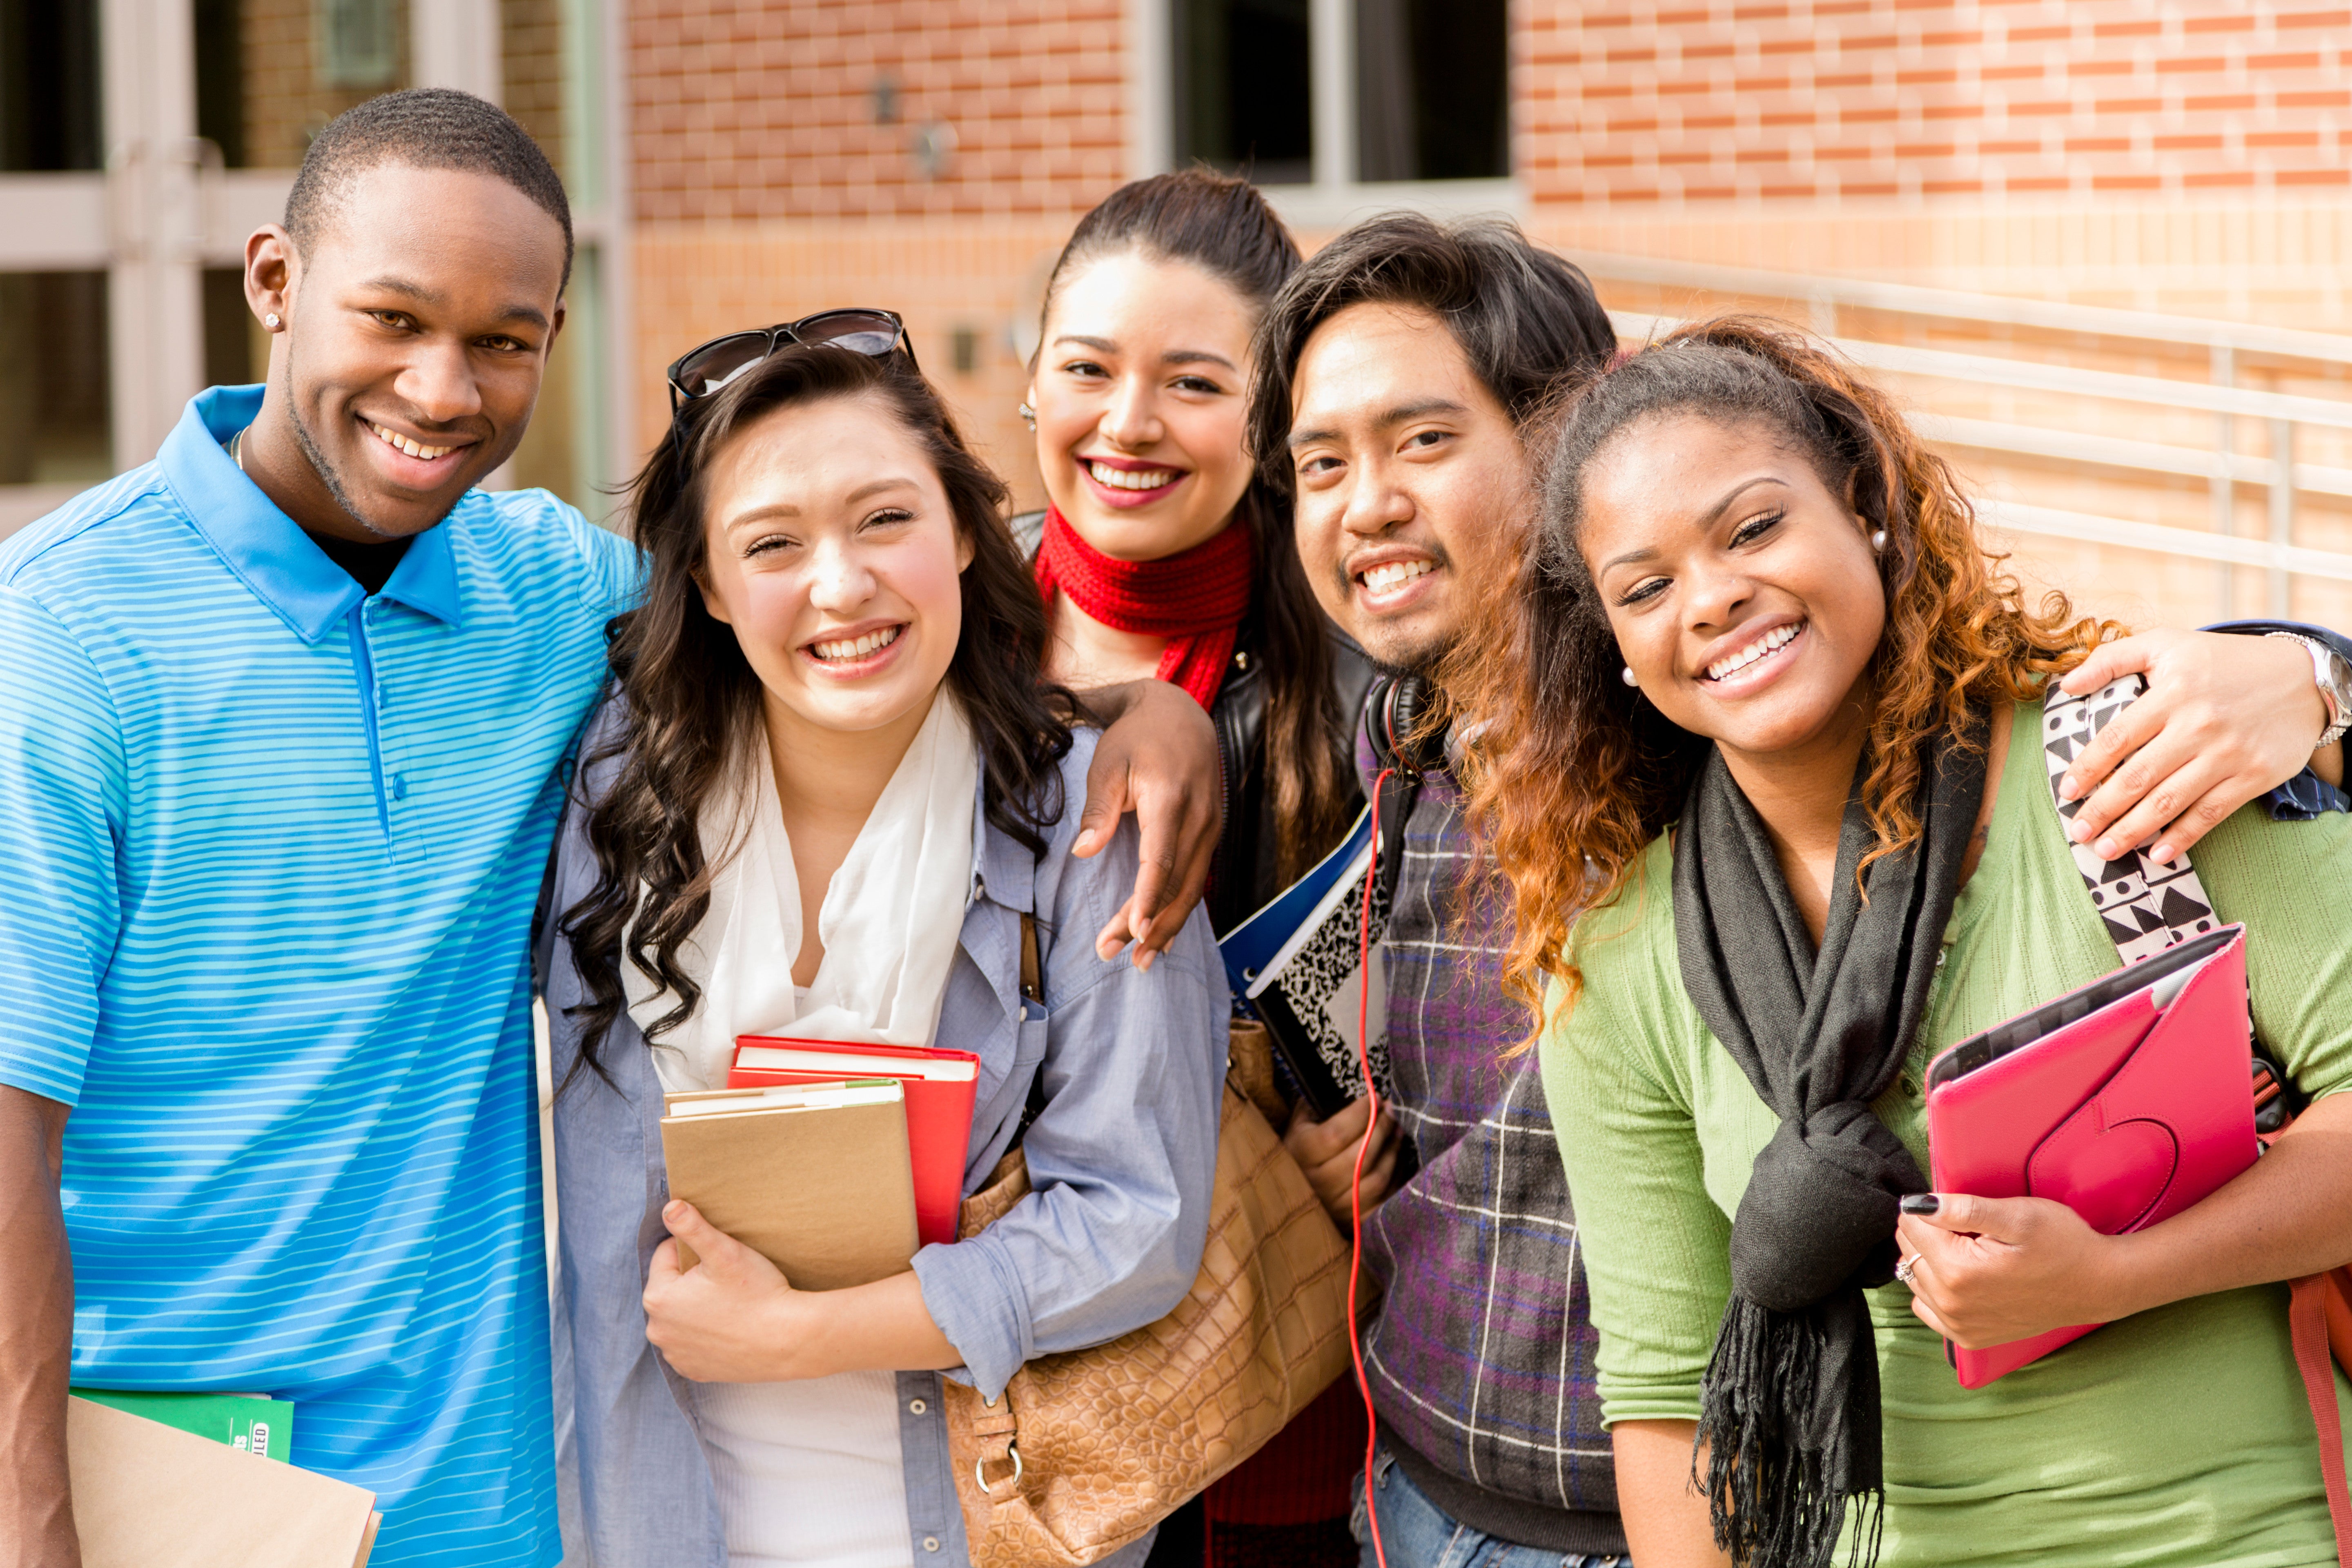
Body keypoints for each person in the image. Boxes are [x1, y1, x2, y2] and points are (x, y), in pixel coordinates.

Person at [0, 91, 1221, 1568]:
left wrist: (1133, 709)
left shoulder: (540, 593)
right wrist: (30, 1521)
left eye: (503, 341)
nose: (442, 391)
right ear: (272, 281)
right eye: (392, 319)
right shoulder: (59, 638)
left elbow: (842, 621)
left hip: (500, 1482)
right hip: (181, 1473)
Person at [1243, 213, 2352, 1568]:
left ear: (1868, 511)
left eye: (1755, 526)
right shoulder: (1616, 940)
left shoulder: (2128, 771)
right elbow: (1662, 1398)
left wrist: (2117, 1271)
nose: (1711, 598)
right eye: (1646, 585)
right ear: (1619, 655)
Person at [544, 336, 1227, 1567]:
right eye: (773, 545)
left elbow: (1136, 1215)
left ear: (968, 531)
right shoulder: (610, 809)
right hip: (653, 1515)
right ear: (702, 584)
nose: (843, 585)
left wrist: (801, 1336)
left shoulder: (1092, 819)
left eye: (884, 519)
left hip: (979, 1519)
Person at [1018, 165, 1376, 1564]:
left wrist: (1353, 1157)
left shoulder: (1355, 690)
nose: (1128, 425)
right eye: (1088, 369)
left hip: (1261, 1414)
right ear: (1032, 385)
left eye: (1193, 384)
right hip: (981, 1397)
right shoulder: (933, 636)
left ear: (1272, 420)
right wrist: (1113, 703)